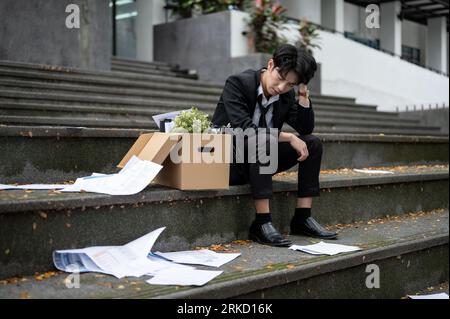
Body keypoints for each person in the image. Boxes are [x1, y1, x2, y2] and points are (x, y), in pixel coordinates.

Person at [211, 44, 337, 247]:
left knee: (312, 143)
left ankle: (302, 218)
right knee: (263, 141)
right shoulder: (238, 84)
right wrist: (287, 137)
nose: (281, 88)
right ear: (271, 65)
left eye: (290, 85)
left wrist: (302, 93)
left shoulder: (285, 95)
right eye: (280, 79)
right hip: (230, 161)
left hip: (261, 162)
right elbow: (246, 130)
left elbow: (305, 129)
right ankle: (261, 223)